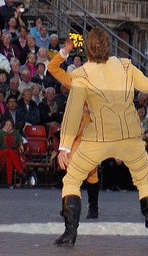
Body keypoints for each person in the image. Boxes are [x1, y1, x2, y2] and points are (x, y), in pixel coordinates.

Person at [52, 26, 148, 248]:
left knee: (72, 179)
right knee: (144, 181)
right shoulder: (125, 66)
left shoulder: (82, 74)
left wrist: (65, 147)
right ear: (109, 46)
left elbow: (73, 112)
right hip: (129, 136)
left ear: (87, 49)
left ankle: (70, 234)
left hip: (98, 137)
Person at [47, 45, 102, 221]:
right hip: (73, 134)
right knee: (71, 174)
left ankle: (93, 208)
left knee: (91, 173)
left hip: (91, 135)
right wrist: (64, 51)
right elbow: (52, 68)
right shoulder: (75, 82)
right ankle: (68, 207)